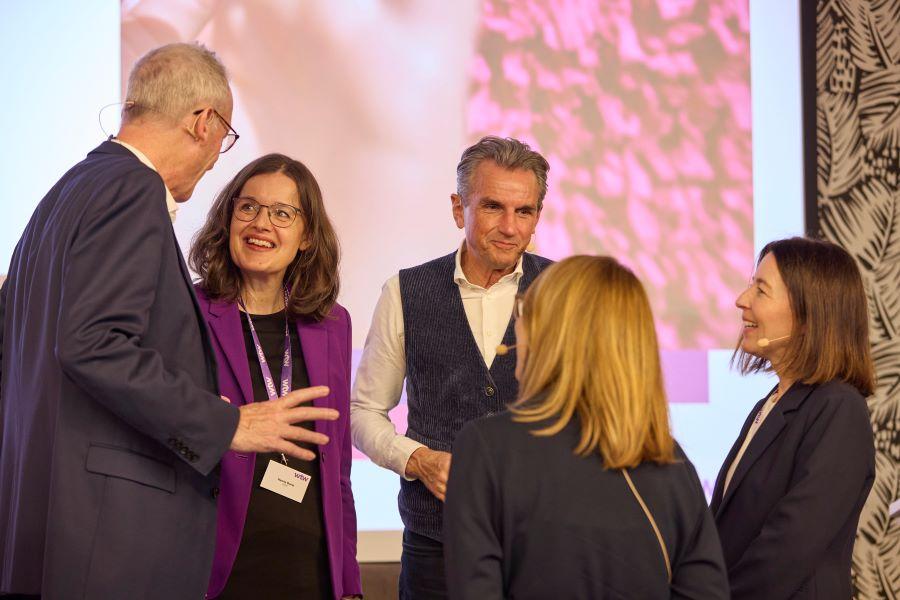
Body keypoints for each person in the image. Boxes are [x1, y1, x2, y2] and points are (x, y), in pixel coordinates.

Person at [0, 44, 336, 599]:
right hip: (108, 539)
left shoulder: (63, 194)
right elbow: (93, 344)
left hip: (49, 526)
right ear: (202, 122)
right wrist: (227, 425)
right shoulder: (131, 190)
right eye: (223, 139)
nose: (214, 160)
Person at [444, 255, 731, 599]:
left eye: (523, 313)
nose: (516, 328)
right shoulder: (668, 456)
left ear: (550, 334)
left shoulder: (486, 448)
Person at [351, 136, 553, 598]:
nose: (509, 227)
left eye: (524, 212)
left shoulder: (565, 291)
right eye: (493, 207)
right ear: (458, 208)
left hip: (544, 544)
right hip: (434, 550)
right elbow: (363, 412)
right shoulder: (406, 291)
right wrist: (417, 461)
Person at [190, 154, 361, 599]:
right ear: (228, 219)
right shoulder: (189, 314)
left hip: (310, 572)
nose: (261, 223)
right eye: (248, 208)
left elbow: (338, 468)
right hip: (215, 568)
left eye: (282, 213)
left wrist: (350, 585)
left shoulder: (331, 324)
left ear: (306, 237)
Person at [710, 237, 876, 599]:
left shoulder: (838, 408)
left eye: (761, 289)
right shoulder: (769, 404)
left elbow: (789, 545)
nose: (742, 299)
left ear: (807, 314)